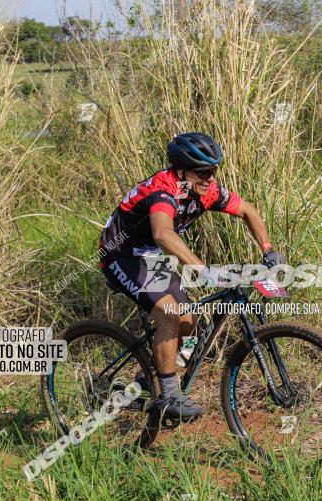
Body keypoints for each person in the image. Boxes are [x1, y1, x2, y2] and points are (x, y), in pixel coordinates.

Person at [99, 132, 285, 422]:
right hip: (120, 254)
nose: (210, 178)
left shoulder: (206, 190)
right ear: (181, 171)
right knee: (170, 314)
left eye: (213, 171)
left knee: (188, 321)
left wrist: (269, 250)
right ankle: (169, 396)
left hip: (148, 257)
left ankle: (147, 379)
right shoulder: (164, 189)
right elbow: (163, 233)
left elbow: (248, 210)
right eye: (203, 172)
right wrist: (203, 269)